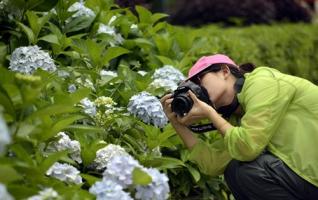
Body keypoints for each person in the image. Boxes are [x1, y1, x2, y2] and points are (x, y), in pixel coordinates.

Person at [160, 54, 318, 200]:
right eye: (191, 87)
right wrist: (177, 124)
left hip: (311, 178)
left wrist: (210, 113)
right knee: (235, 171)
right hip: (308, 180)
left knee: (247, 171)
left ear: (224, 71)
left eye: (199, 80)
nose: (196, 89)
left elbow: (247, 147)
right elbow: (213, 164)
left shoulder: (262, 81)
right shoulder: (238, 115)